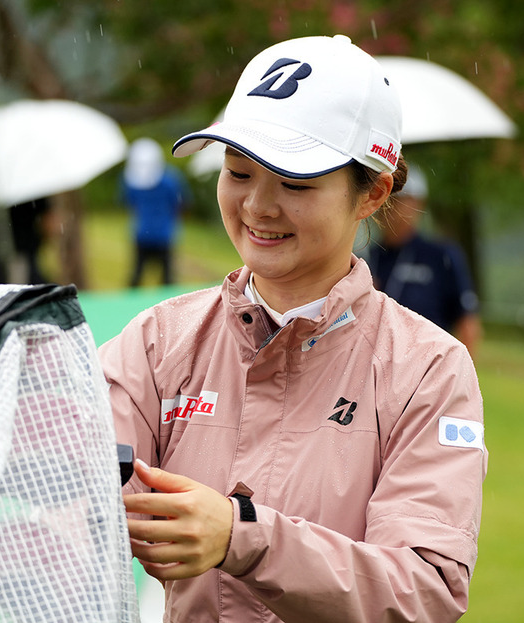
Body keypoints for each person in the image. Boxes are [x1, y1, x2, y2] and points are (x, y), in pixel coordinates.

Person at [99, 35, 486, 623]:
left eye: (295, 184)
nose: (258, 206)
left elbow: (423, 590)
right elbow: (72, 489)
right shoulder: (159, 340)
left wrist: (241, 537)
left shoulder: (427, 367)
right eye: (238, 172)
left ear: (372, 193)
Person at [362, 164, 483, 358]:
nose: (389, 206)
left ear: (418, 204)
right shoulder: (366, 258)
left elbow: (467, 325)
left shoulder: (441, 255)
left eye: (399, 199)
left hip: (429, 367)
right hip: (376, 366)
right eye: (384, 197)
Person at [121, 137, 191, 287]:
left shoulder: (130, 180)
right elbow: (182, 203)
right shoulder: (171, 179)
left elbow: (128, 202)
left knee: (138, 275)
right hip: (163, 234)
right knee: (166, 279)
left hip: (144, 233)